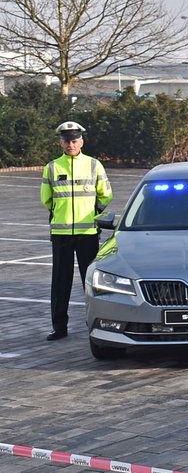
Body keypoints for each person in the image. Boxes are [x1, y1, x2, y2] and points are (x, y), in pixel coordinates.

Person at [41, 121, 113, 341]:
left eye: (74, 140)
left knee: (89, 282)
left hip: (87, 233)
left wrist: (94, 211)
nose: (70, 144)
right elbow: (46, 198)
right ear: (60, 143)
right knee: (60, 282)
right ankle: (59, 327)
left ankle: (93, 324)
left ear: (81, 141)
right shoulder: (52, 167)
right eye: (66, 141)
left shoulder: (94, 165)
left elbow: (106, 194)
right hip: (61, 234)